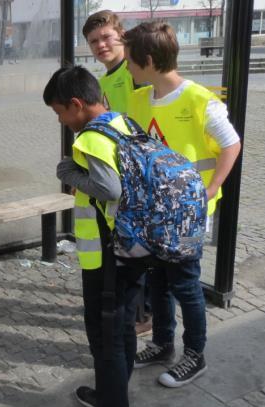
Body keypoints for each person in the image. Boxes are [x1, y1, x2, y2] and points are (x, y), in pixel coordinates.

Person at [123, 22, 241, 388]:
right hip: (152, 214)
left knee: (186, 285)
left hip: (187, 215)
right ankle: (161, 344)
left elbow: (231, 144)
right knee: (158, 282)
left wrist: (211, 189)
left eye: (130, 61)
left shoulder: (199, 100)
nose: (126, 67)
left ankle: (195, 354)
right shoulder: (139, 100)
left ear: (147, 60)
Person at [44, 65, 146, 407]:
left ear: (76, 104)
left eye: (60, 113)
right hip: (135, 250)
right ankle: (111, 395)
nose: (60, 121)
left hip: (108, 257)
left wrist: (67, 171)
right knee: (121, 330)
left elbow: (108, 189)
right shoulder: (124, 122)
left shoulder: (90, 139)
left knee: (106, 341)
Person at [83, 9, 153, 335]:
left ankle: (143, 314)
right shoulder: (104, 80)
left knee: (140, 245)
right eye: (94, 41)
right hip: (124, 169)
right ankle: (138, 308)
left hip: (145, 167)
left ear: (121, 35)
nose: (100, 45)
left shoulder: (136, 71)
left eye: (106, 37)